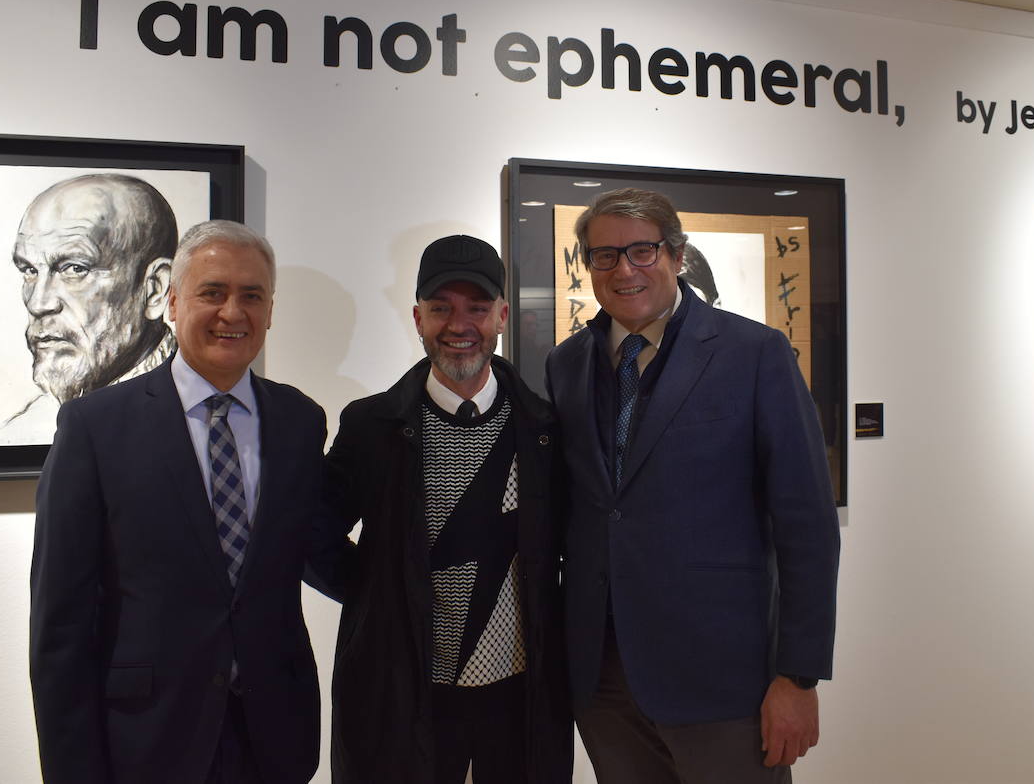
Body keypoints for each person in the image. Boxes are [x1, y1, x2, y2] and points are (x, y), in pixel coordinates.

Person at [544, 187, 840, 784]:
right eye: (604, 256)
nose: (624, 270)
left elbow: (806, 524)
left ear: (677, 256)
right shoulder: (565, 364)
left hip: (724, 679)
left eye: (642, 251)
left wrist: (799, 676)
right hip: (603, 677)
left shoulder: (755, 353)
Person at [30, 220, 328, 784]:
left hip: (274, 735)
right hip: (148, 739)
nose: (232, 312)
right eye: (212, 292)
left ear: (270, 310)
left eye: (252, 296)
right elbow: (60, 626)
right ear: (171, 302)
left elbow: (309, 548)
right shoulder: (95, 427)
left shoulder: (300, 420)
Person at [320, 235, 572, 784]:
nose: (459, 326)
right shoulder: (371, 427)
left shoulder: (546, 431)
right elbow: (315, 538)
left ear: (502, 315)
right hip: (407, 695)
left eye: (477, 308)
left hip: (521, 697)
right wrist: (379, 596)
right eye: (441, 309)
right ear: (417, 318)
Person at [0, 173, 178, 444]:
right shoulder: (14, 435)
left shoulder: (202, 415)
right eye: (30, 271)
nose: (38, 303)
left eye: (75, 268)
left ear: (155, 289)